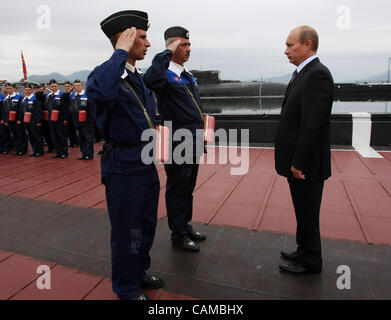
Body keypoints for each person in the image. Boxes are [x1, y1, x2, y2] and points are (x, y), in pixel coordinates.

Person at [86, 10, 164, 300]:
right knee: (126, 230)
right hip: (123, 165)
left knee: (146, 224)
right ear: (125, 40)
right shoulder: (106, 75)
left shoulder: (135, 76)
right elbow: (98, 93)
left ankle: (139, 271)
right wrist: (119, 52)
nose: (147, 43)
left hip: (144, 161)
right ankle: (127, 287)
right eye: (141, 37)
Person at [275, 26, 334, 274]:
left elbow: (313, 125)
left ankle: (311, 261)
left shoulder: (317, 74)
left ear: (308, 45)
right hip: (299, 161)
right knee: (303, 210)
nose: (286, 50)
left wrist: (299, 162)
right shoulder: (303, 73)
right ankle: (303, 249)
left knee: (309, 213)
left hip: (306, 163)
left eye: (290, 45)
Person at [144, 26, 207, 252]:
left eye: (189, 44)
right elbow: (149, 80)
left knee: (188, 187)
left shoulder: (187, 75)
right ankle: (177, 233)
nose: (188, 49)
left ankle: (185, 224)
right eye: (183, 45)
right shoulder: (164, 75)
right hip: (177, 142)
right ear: (171, 47)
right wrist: (166, 53)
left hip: (193, 140)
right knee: (177, 188)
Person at [70, 79, 95, 160]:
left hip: (87, 121)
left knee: (88, 138)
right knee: (81, 138)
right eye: (76, 86)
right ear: (74, 87)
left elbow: (92, 109)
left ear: (82, 86)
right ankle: (84, 153)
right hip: (77, 121)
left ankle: (89, 154)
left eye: (79, 85)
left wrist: (91, 121)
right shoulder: (74, 96)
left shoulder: (87, 95)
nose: (78, 87)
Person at [47, 79, 69, 158]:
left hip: (60, 119)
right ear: (50, 87)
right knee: (54, 136)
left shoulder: (62, 95)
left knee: (61, 136)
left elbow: (66, 108)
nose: (53, 88)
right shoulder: (49, 96)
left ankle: (64, 152)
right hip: (52, 119)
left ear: (58, 86)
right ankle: (58, 152)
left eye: (55, 86)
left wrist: (65, 119)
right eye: (52, 86)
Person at [2, 83, 27, 156]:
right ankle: (17, 149)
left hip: (17, 120)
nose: (9, 90)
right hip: (9, 120)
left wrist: (19, 119)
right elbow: (4, 110)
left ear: (13, 88)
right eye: (7, 89)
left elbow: (22, 110)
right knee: (14, 135)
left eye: (10, 88)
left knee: (20, 134)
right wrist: (6, 120)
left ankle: (23, 149)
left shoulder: (19, 97)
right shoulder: (5, 98)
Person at [20, 83, 44, 157]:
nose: (27, 91)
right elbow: (22, 111)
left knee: (37, 136)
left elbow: (38, 110)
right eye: (26, 90)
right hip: (26, 121)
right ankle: (35, 150)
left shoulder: (35, 98)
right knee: (31, 137)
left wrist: (38, 121)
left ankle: (40, 151)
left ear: (32, 90)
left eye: (29, 90)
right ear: (24, 90)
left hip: (34, 120)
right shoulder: (24, 99)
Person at [64, 80, 79, 148]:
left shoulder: (75, 94)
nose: (67, 87)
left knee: (75, 129)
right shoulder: (64, 95)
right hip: (67, 114)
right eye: (66, 86)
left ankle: (77, 142)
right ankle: (72, 142)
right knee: (69, 129)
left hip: (74, 114)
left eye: (68, 86)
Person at [0, 86, 13, 155]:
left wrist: (3, 119)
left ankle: (6, 148)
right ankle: (1, 147)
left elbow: (4, 110)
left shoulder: (2, 97)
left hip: (1, 119)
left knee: (4, 134)